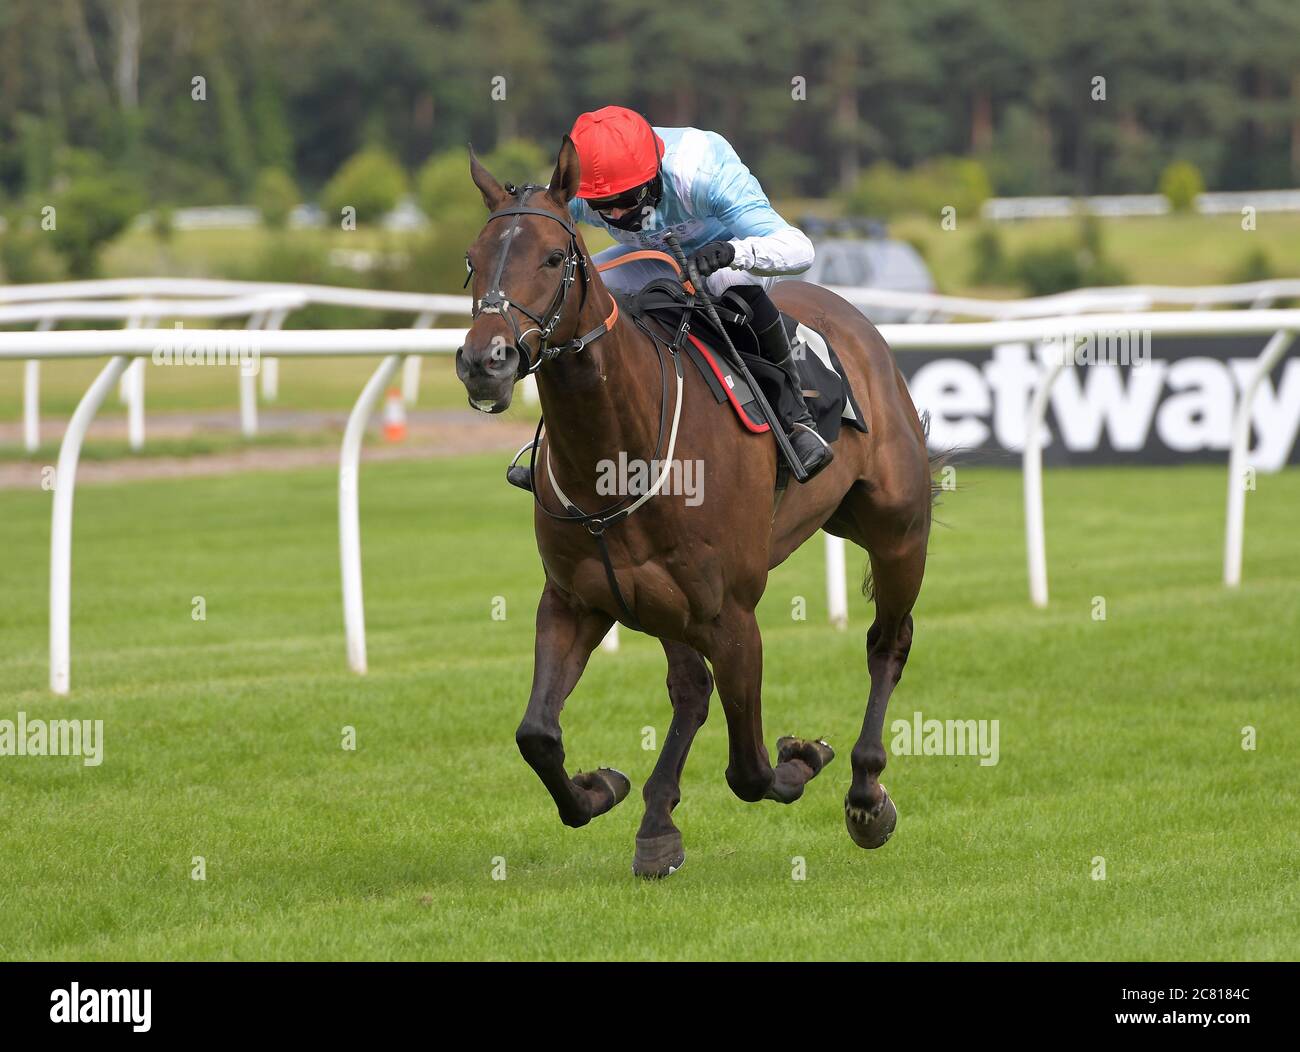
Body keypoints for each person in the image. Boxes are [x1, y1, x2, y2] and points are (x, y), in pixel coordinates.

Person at [565, 105, 833, 480]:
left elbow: (800, 249)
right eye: (600, 206)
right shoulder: (580, 187)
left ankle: (796, 420)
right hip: (657, 258)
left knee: (728, 282)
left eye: (626, 200)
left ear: (654, 173)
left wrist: (735, 252)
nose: (613, 215)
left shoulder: (702, 174)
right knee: (576, 291)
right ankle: (561, 440)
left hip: (727, 253)